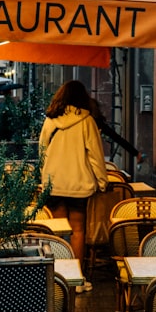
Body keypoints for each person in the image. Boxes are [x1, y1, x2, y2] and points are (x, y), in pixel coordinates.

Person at [38, 80, 109, 261]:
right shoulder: (87, 121)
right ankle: (77, 277)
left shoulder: (50, 121)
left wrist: (43, 177)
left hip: (54, 184)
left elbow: (42, 152)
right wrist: (102, 182)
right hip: (79, 185)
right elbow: (96, 156)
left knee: (58, 231)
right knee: (78, 230)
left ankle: (58, 274)